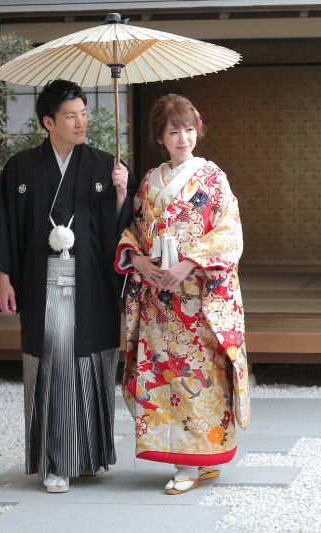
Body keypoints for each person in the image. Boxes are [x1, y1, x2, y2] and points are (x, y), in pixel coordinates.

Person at [0, 80, 138, 493]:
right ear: (48, 122)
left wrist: (120, 193)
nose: (81, 122)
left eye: (83, 113)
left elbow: (122, 231)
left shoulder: (103, 165)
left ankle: (90, 457)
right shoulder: (21, 167)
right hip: (44, 285)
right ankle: (55, 462)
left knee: (91, 367)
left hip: (91, 285)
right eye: (70, 115)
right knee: (53, 368)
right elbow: (5, 226)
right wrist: (3, 279)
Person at [115, 94, 250, 495]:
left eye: (189, 129)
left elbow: (228, 231)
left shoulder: (213, 178)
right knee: (164, 379)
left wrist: (187, 264)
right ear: (160, 136)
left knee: (203, 379)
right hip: (158, 297)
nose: (184, 137)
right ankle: (185, 461)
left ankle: (197, 461)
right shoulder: (148, 183)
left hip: (197, 296)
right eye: (174, 131)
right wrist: (139, 262)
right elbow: (134, 231)